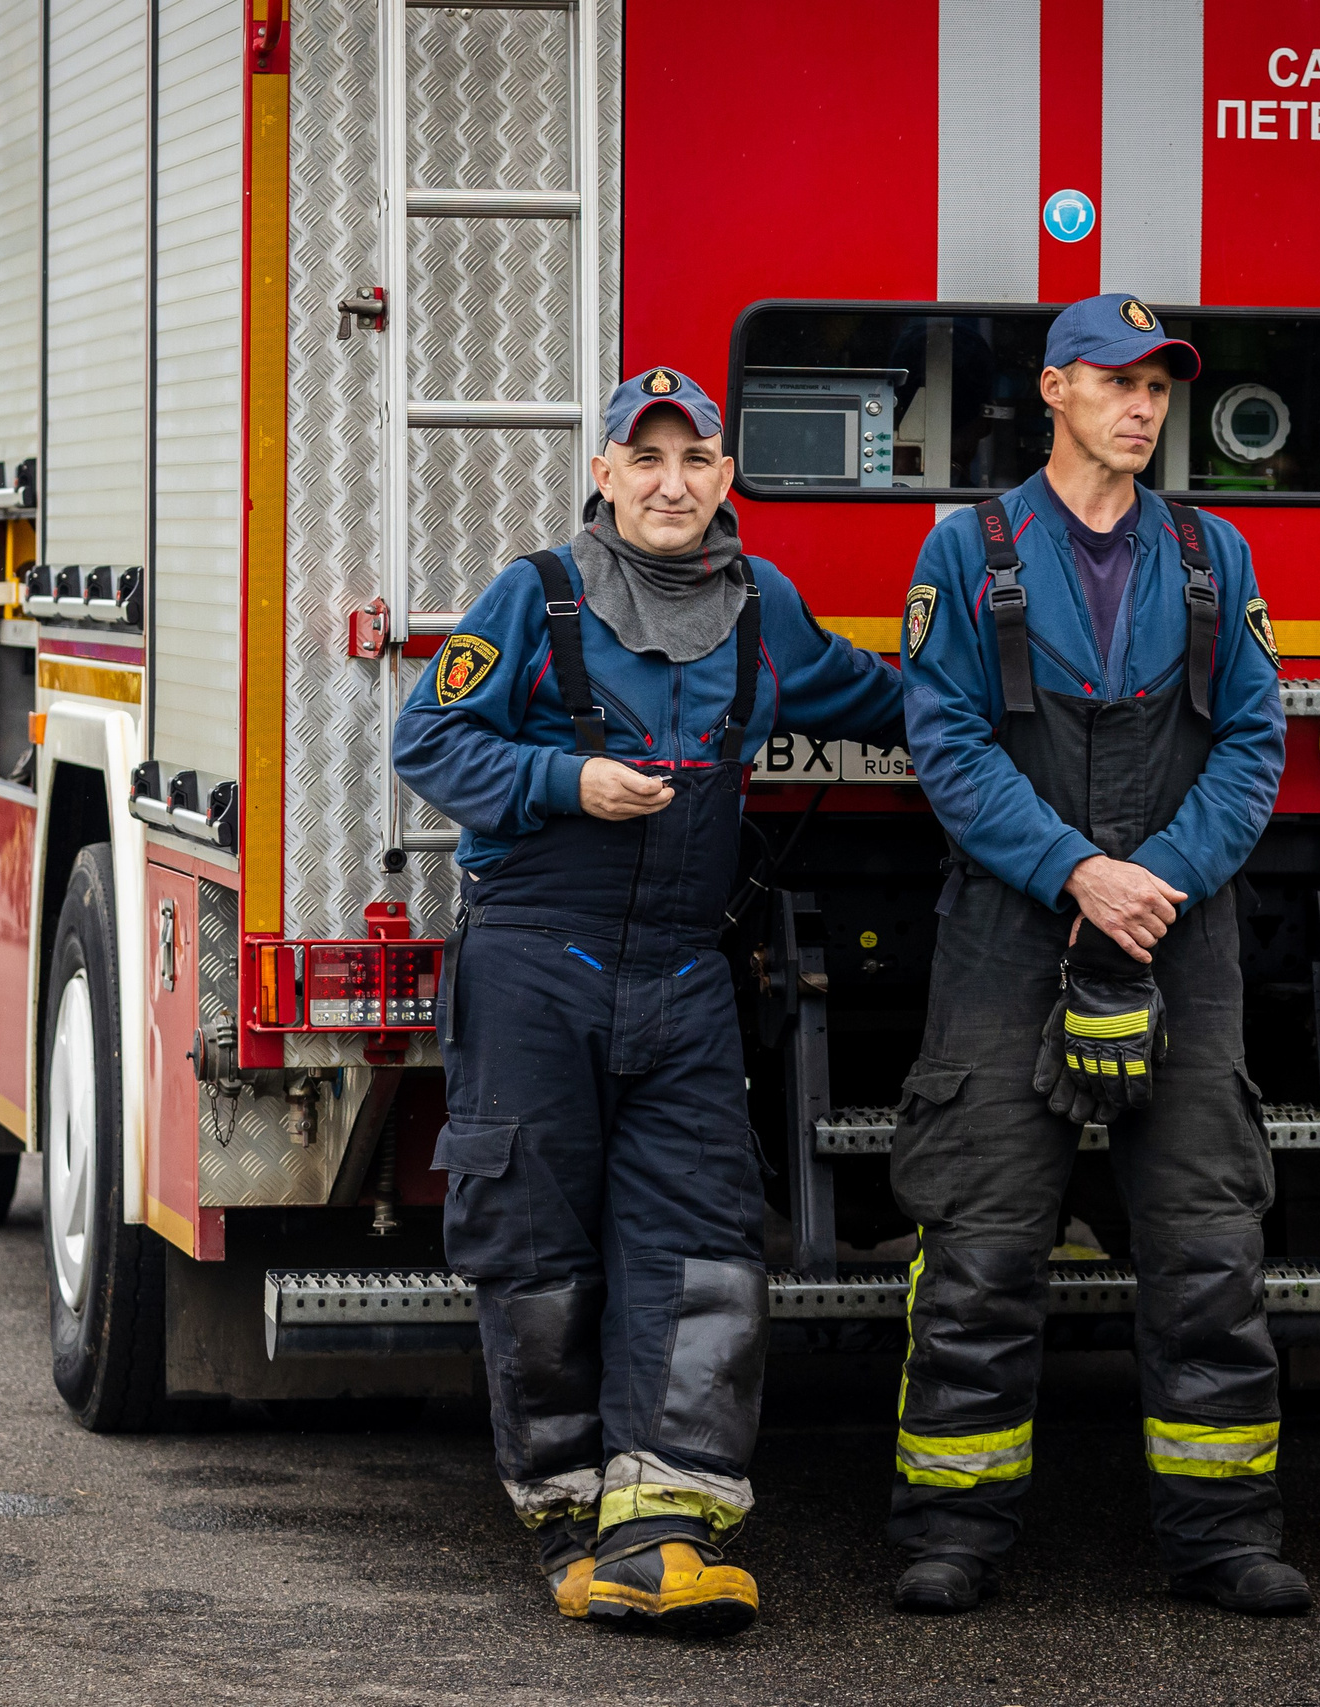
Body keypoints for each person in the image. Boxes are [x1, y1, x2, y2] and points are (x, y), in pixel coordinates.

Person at [394, 366, 906, 1635]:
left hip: (684, 971)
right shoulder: (534, 595)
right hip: (534, 961)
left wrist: (1010, 698)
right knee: (534, 1245)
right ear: (606, 477)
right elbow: (428, 742)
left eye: (696, 461)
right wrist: (570, 781)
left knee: (703, 1238)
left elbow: (885, 699)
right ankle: (570, 1512)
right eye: (647, 459)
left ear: (726, 479)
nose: (672, 485)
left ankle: (666, 1520)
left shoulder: (761, 607)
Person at [886, 293, 1297, 1616]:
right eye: (1118, 381)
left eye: (1161, 387)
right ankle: (950, 1530)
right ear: (1054, 389)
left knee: (1208, 1248)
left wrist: (1153, 879)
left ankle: (1225, 1534)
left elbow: (1252, 741)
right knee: (984, 1249)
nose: (1145, 404)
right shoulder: (967, 552)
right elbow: (942, 740)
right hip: (1014, 933)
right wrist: (1074, 869)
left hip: (1179, 929)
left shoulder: (1213, 555)